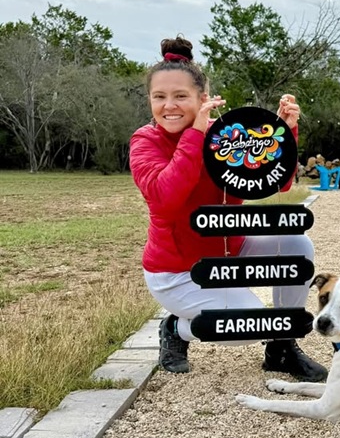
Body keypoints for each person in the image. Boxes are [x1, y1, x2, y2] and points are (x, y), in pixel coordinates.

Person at [129, 35, 327, 382]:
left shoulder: (224, 137)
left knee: (298, 247)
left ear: (202, 98)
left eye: (180, 96)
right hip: (177, 272)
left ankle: (282, 347)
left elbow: (275, 183)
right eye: (159, 97)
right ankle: (178, 328)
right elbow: (166, 196)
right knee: (248, 326)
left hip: (229, 254)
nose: (169, 106)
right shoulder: (146, 140)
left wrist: (285, 134)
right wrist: (195, 135)